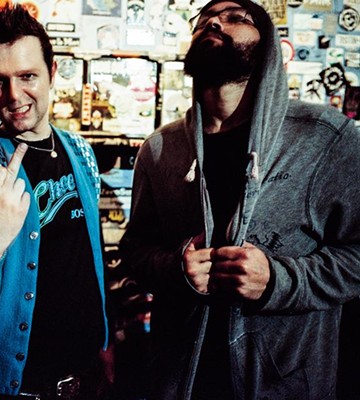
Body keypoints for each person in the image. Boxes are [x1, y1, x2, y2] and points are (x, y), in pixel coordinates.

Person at [119, 0, 360, 399]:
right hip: (179, 381)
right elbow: (135, 251)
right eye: (204, 20)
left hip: (283, 383)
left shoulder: (325, 139)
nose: (214, 22)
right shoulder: (159, 149)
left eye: (235, 17)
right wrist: (175, 268)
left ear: (268, 47)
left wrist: (278, 280)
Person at [0, 5, 110, 399]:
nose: (14, 96)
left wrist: (105, 341)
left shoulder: (81, 151)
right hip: (17, 387)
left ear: (52, 72)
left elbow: (91, 261)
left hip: (86, 379)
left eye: (27, 76)